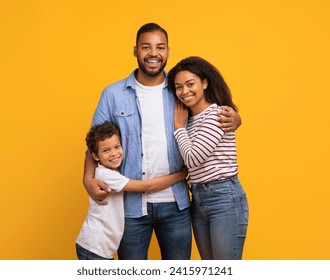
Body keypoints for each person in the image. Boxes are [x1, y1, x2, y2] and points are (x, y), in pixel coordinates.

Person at [83, 23, 241, 260]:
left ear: (168, 51)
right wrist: (87, 178)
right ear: (135, 51)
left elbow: (210, 113)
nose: (153, 53)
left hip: (177, 204)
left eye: (160, 47)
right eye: (146, 47)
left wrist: (236, 118)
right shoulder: (113, 94)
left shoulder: (180, 90)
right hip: (131, 207)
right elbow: (94, 143)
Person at [167, 56, 249, 260]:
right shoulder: (190, 120)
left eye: (190, 84)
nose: (184, 91)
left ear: (204, 83)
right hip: (198, 198)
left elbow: (194, 159)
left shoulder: (217, 115)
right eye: (178, 87)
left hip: (224, 197)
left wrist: (178, 127)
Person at [76, 121, 188, 260]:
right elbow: (147, 187)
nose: (114, 154)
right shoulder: (106, 175)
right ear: (95, 156)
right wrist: (180, 175)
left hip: (100, 247)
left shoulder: (112, 172)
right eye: (106, 150)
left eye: (117, 147)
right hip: (94, 246)